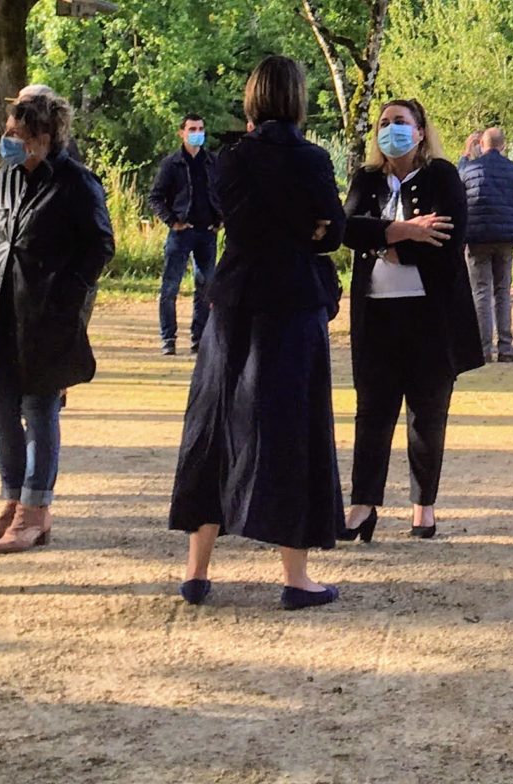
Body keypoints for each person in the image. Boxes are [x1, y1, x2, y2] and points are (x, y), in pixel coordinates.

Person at [170, 54, 349, 610]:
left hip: (235, 299)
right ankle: (296, 578)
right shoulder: (313, 158)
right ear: (296, 99)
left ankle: (197, 572)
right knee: (292, 430)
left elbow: (237, 220)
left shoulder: (230, 160)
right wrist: (311, 230)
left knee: (215, 424)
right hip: (292, 303)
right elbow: (330, 230)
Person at [0, 83, 115, 555]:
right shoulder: (4, 177)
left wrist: (63, 291)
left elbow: (99, 247)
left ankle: (36, 509)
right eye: (8, 131)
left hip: (47, 314)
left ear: (46, 136)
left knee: (39, 408)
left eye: (20, 133)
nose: (10, 140)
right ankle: (12, 501)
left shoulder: (77, 182)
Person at [340, 97, 483, 541]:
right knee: (372, 413)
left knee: (427, 414)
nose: (390, 129)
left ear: (420, 131)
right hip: (377, 313)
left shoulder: (443, 175)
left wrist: (380, 239)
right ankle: (363, 505)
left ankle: (424, 507)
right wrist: (404, 232)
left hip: (431, 317)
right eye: (384, 123)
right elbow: (346, 229)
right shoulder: (366, 179)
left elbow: (448, 236)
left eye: (400, 122)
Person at [459, 125, 513, 362]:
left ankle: (482, 349)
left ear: (482, 145)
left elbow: (457, 200)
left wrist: (464, 155)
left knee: (481, 290)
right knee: (503, 291)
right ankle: (506, 346)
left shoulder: (469, 169)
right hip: (505, 239)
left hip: (476, 237)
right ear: (503, 146)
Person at [152, 113, 220, 358]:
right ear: (181, 132)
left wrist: (219, 220)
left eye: (201, 128)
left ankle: (199, 339)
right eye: (192, 128)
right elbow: (156, 197)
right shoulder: (171, 164)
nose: (197, 132)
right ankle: (168, 338)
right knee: (170, 287)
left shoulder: (213, 162)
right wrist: (172, 221)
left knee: (205, 287)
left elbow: (223, 192)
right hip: (181, 233)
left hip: (207, 233)